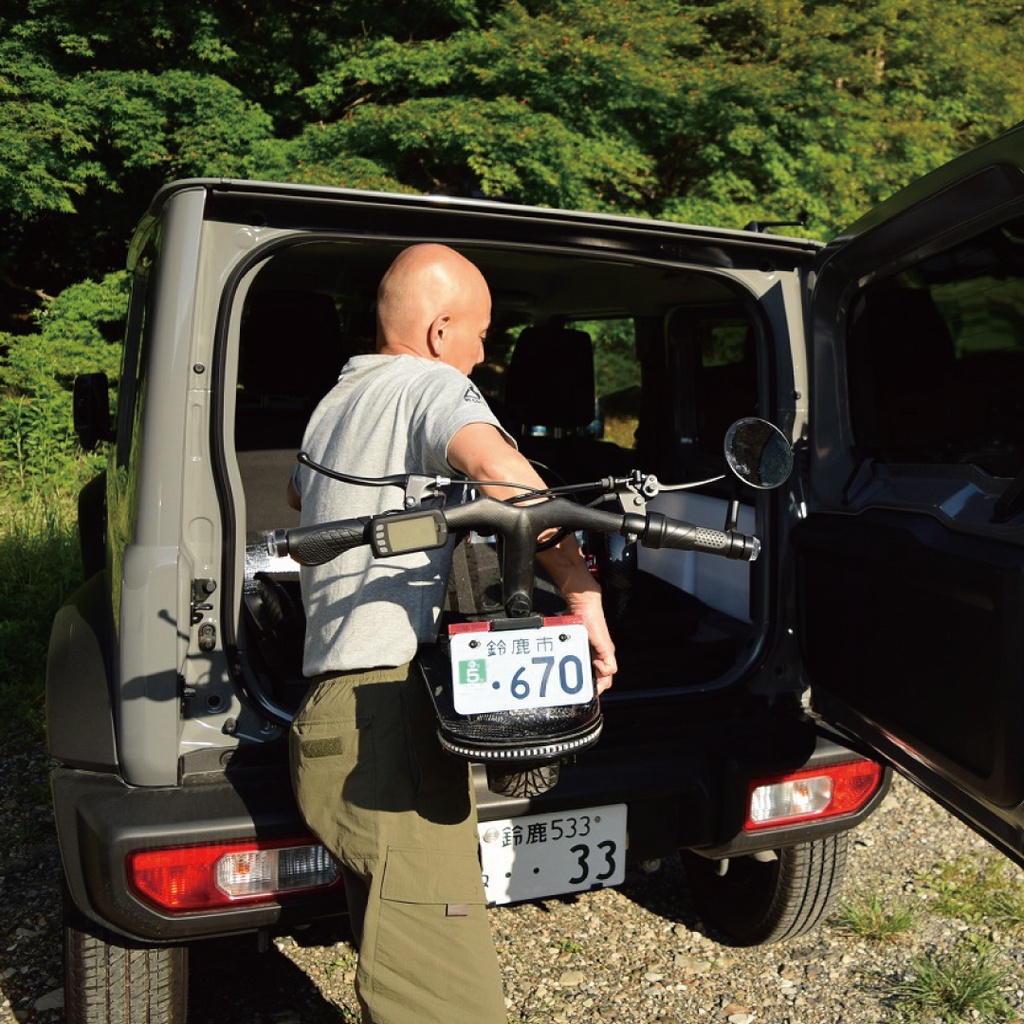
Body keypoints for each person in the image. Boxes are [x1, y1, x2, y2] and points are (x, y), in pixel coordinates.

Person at [287, 243, 616, 1024]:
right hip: (387, 722)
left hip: (337, 720)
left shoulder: (332, 406)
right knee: (447, 1002)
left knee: (402, 968)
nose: (483, 354)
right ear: (439, 331)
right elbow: (511, 484)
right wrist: (581, 589)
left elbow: (308, 502)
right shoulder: (433, 384)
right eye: (481, 334)